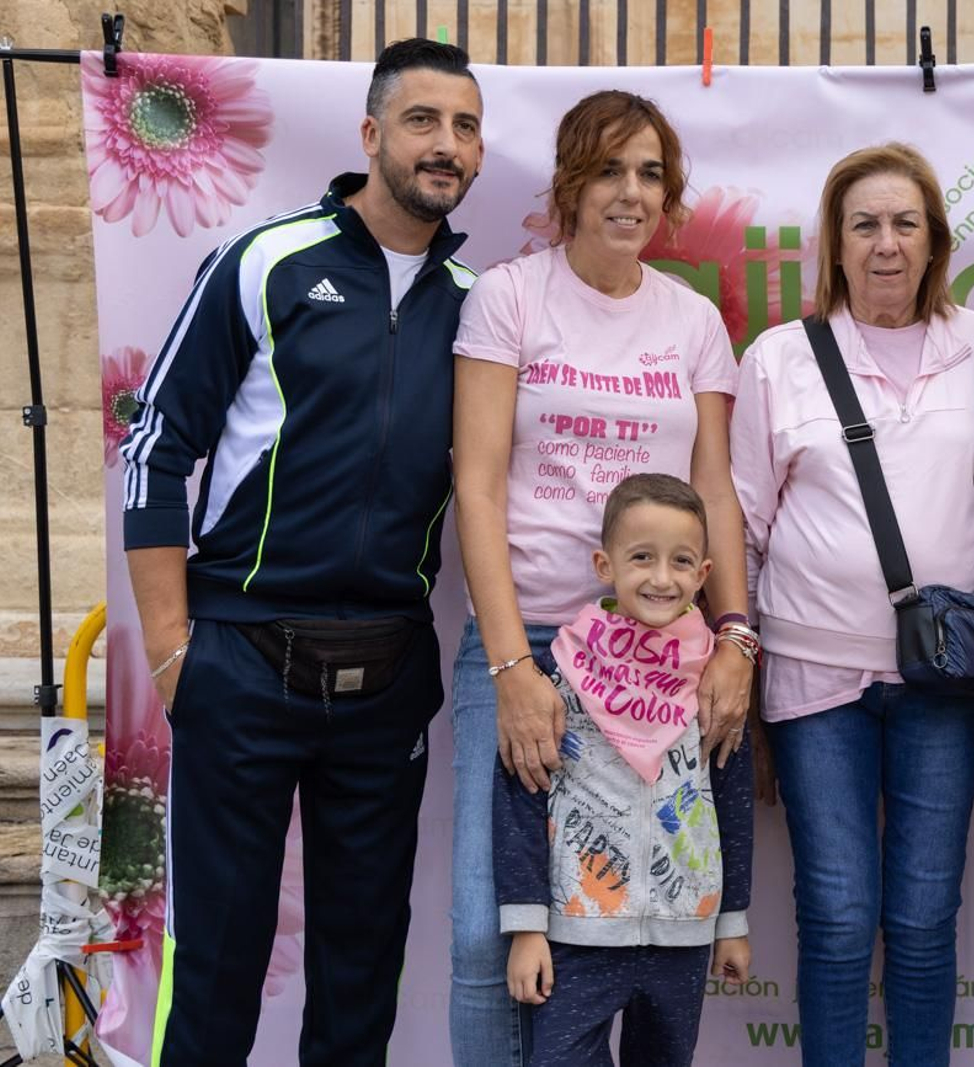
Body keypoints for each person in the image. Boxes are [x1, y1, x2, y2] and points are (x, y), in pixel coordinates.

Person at [117, 39, 482, 1065]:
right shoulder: (265, 260)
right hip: (238, 658)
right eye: (421, 121)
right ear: (371, 135)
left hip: (389, 672)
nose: (443, 145)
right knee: (219, 969)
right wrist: (171, 648)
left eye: (463, 126)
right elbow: (156, 448)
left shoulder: (480, 300)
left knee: (361, 974)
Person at [449, 89, 752, 1065]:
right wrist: (510, 669)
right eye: (610, 169)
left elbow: (716, 490)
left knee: (630, 926)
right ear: (571, 183)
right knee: (486, 929)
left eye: (651, 173)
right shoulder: (509, 294)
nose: (631, 192)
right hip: (527, 645)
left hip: (663, 656)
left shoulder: (693, 320)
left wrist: (735, 636)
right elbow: (478, 484)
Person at [730, 141, 974, 1067]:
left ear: (934, 242)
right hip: (813, 680)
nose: (885, 245)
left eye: (904, 224)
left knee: (925, 916)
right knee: (839, 914)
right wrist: (741, 662)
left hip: (948, 676)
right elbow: (746, 527)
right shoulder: (779, 358)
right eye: (864, 226)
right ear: (834, 247)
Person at [491, 473, 753, 1067]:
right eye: (641, 558)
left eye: (680, 561)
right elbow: (519, 798)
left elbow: (732, 804)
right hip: (577, 934)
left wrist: (731, 919)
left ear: (704, 574)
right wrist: (528, 927)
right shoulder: (557, 672)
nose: (662, 578)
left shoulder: (712, 684)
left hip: (682, 935)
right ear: (604, 564)